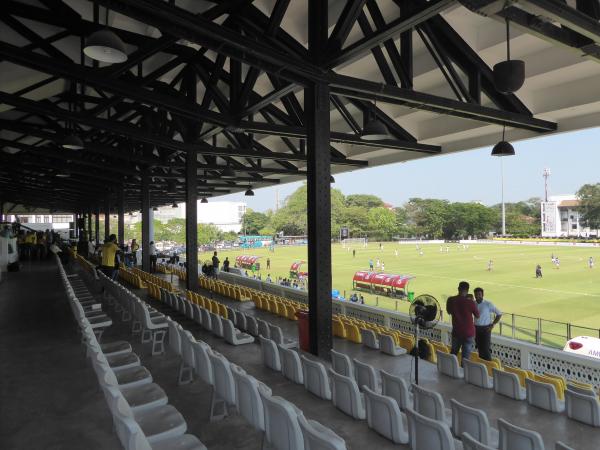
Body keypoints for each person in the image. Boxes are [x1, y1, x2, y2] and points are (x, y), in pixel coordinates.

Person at [446, 281, 479, 362]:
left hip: (457, 332)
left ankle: (450, 371)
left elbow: (449, 311)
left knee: (453, 354)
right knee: (466, 358)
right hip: (469, 333)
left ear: (458, 289)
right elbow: (477, 315)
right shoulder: (470, 302)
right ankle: (464, 373)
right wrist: (472, 302)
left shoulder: (451, 300)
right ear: (467, 290)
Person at [473, 287, 502, 361]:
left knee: (486, 349)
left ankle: (488, 366)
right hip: (476, 329)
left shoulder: (488, 304)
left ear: (482, 295)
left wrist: (493, 324)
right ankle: (481, 365)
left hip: (486, 329)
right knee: (479, 348)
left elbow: (499, 314)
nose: (477, 296)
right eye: (476, 294)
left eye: (479, 294)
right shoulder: (474, 304)